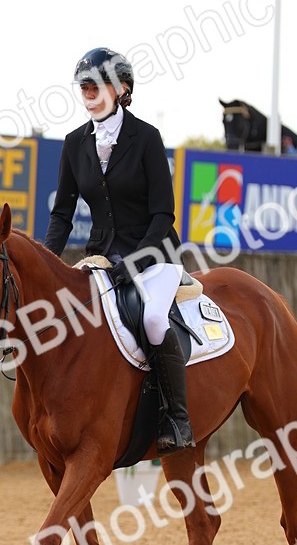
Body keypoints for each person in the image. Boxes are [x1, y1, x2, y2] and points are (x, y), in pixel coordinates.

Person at [43, 47, 195, 454]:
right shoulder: (75, 143)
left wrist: (136, 260)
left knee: (152, 320)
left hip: (155, 255)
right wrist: (46, 264)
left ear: (122, 89)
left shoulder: (146, 138)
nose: (89, 92)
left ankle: (177, 418)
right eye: (85, 86)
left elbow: (164, 214)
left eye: (97, 85)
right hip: (101, 259)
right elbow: (62, 214)